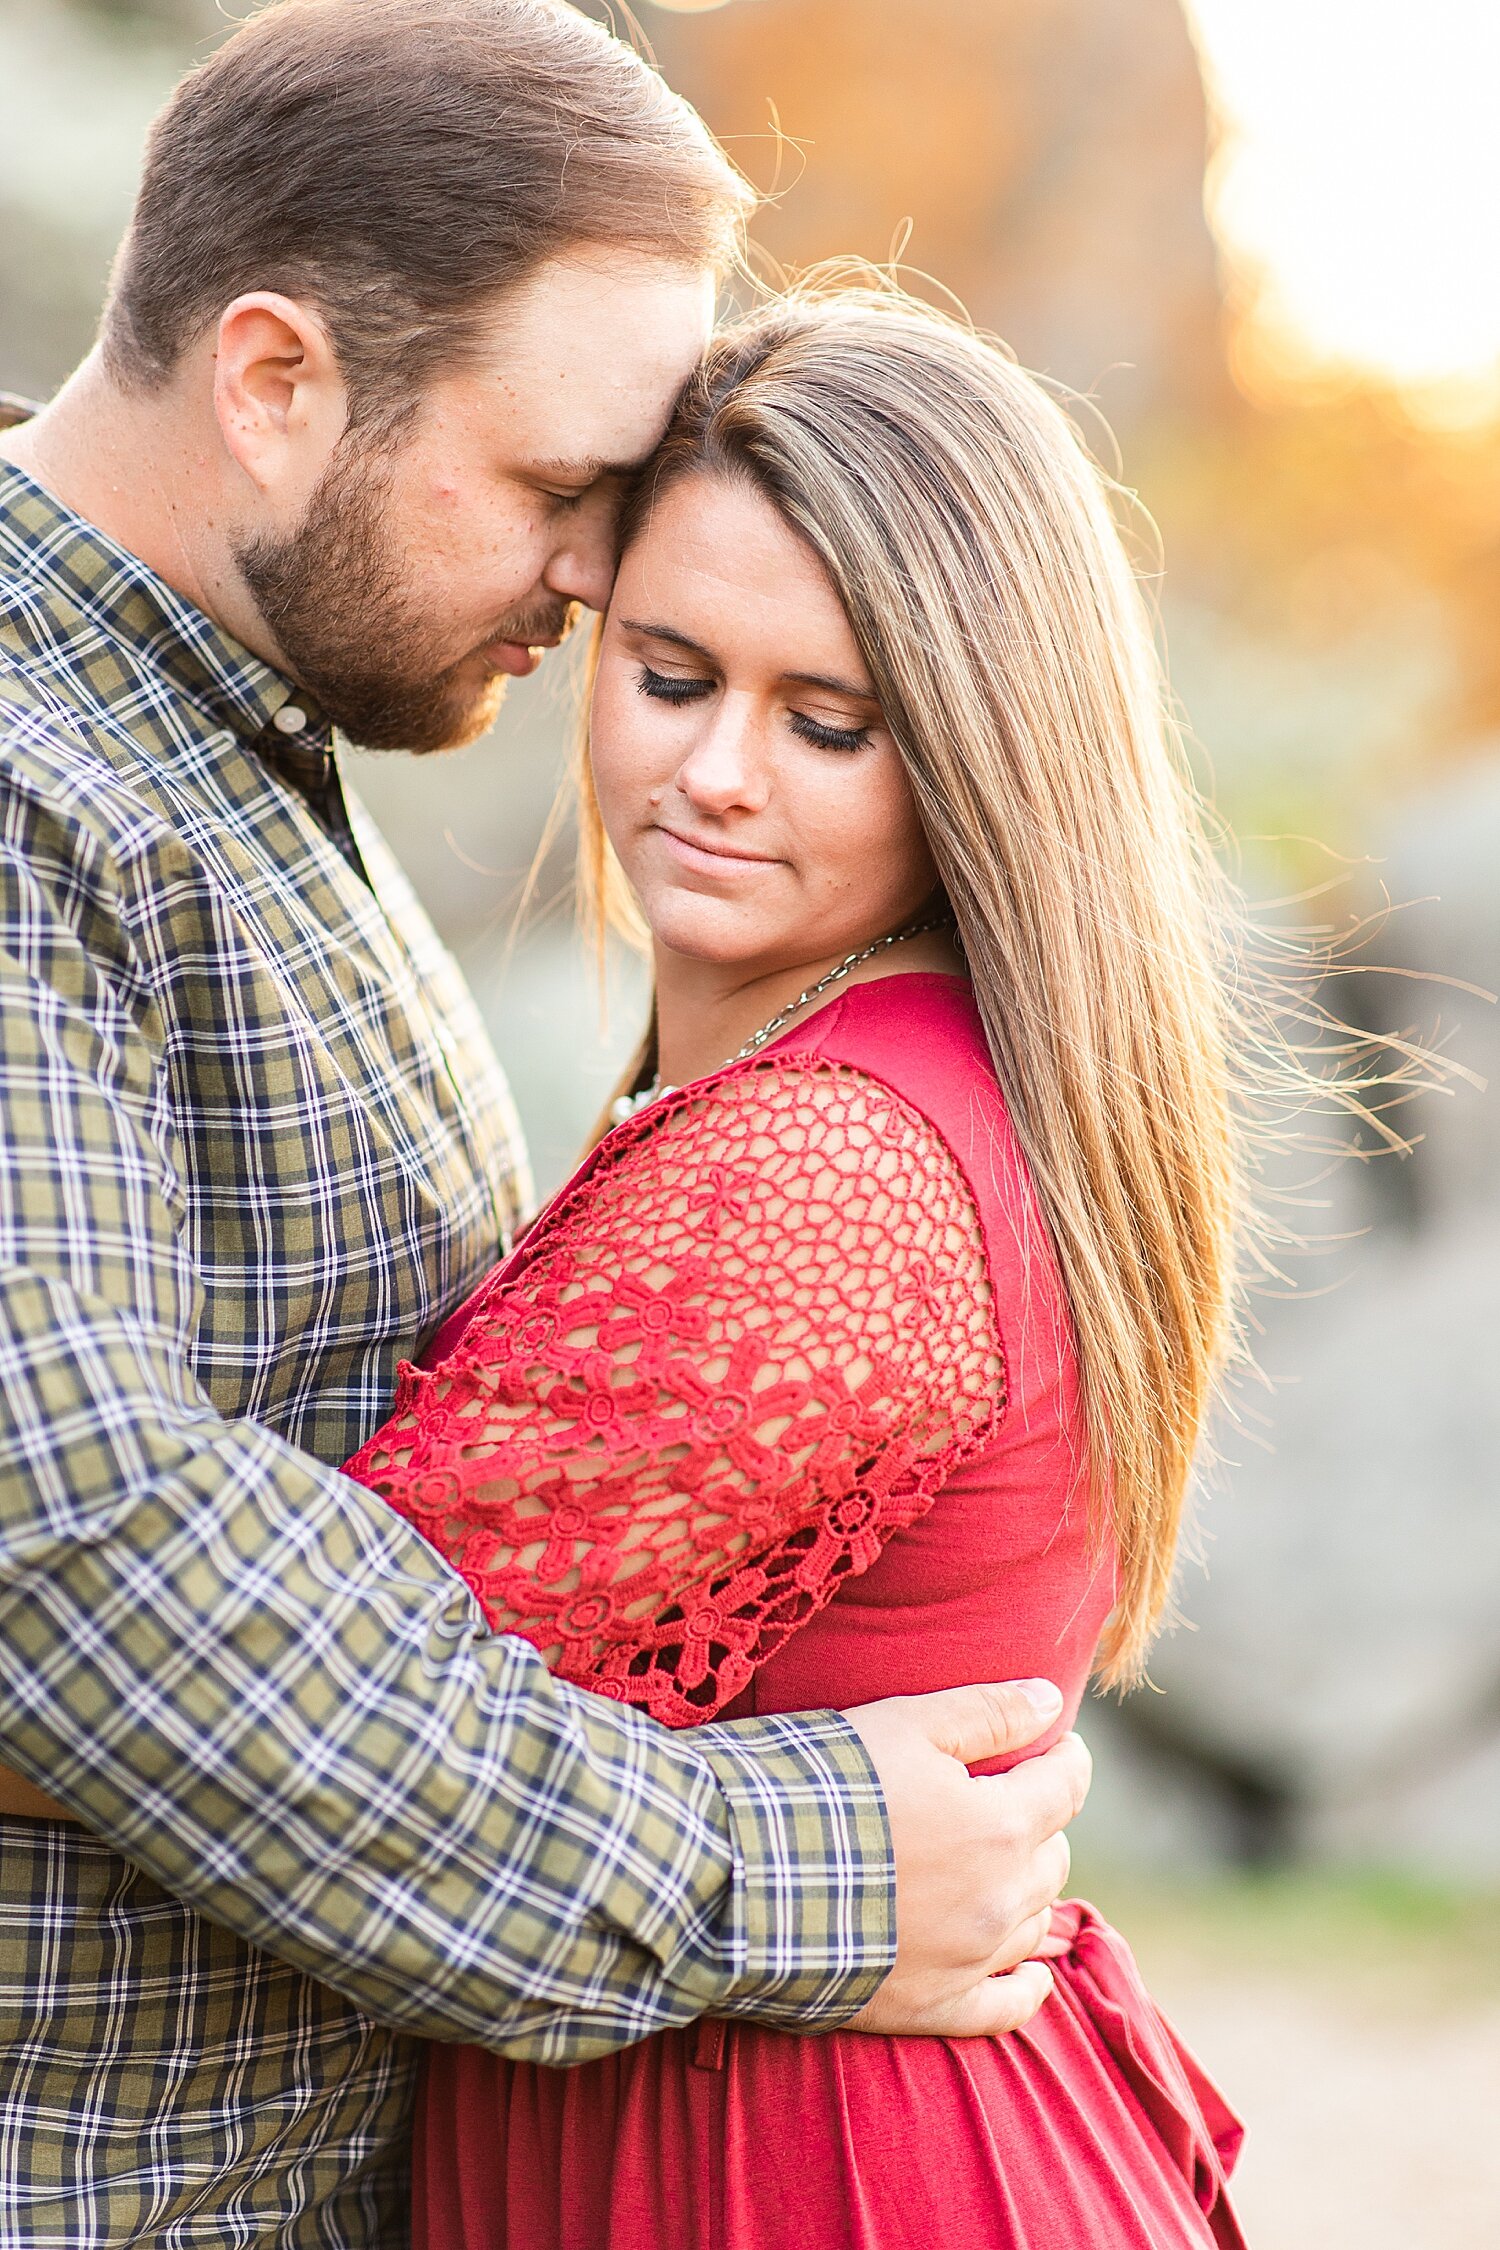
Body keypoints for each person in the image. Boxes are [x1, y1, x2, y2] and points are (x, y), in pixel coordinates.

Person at [0, 7, 1089, 2245]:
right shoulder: (34, 792)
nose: (608, 577)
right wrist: (783, 1864)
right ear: (280, 381)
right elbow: (71, 1551)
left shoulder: (231, 744)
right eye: (558, 486)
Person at [345, 287, 1250, 2248]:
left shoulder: (820, 1178)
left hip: (798, 2179)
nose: (723, 771)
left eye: (828, 722)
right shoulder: (889, 1082)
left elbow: (271, 1717)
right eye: (673, 675)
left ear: (979, 760)